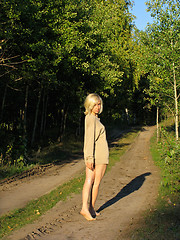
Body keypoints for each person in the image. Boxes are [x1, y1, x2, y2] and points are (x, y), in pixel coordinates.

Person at [80, 93, 109, 221]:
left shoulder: (95, 118)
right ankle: (85, 209)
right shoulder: (91, 119)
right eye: (95, 104)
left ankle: (90, 209)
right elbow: (89, 140)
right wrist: (89, 158)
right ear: (89, 105)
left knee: (90, 181)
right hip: (98, 156)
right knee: (94, 182)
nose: (98, 107)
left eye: (99, 104)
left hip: (98, 155)